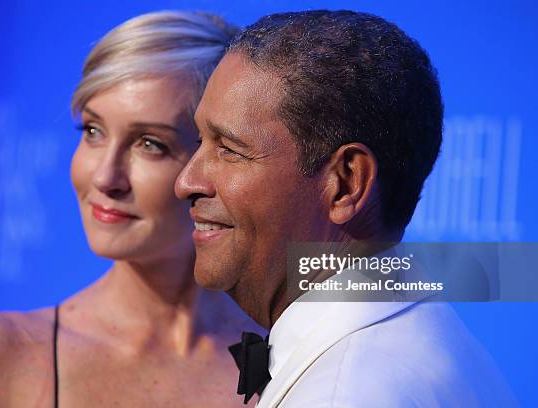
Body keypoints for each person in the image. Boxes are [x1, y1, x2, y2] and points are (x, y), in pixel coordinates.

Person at [175, 10, 517, 407]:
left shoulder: (345, 393)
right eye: (200, 140)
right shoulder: (427, 339)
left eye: (230, 150)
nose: (186, 182)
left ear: (346, 184)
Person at [0, 11, 262, 407]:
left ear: (216, 162)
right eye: (93, 131)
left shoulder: (289, 355)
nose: (106, 177)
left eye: (150, 144)